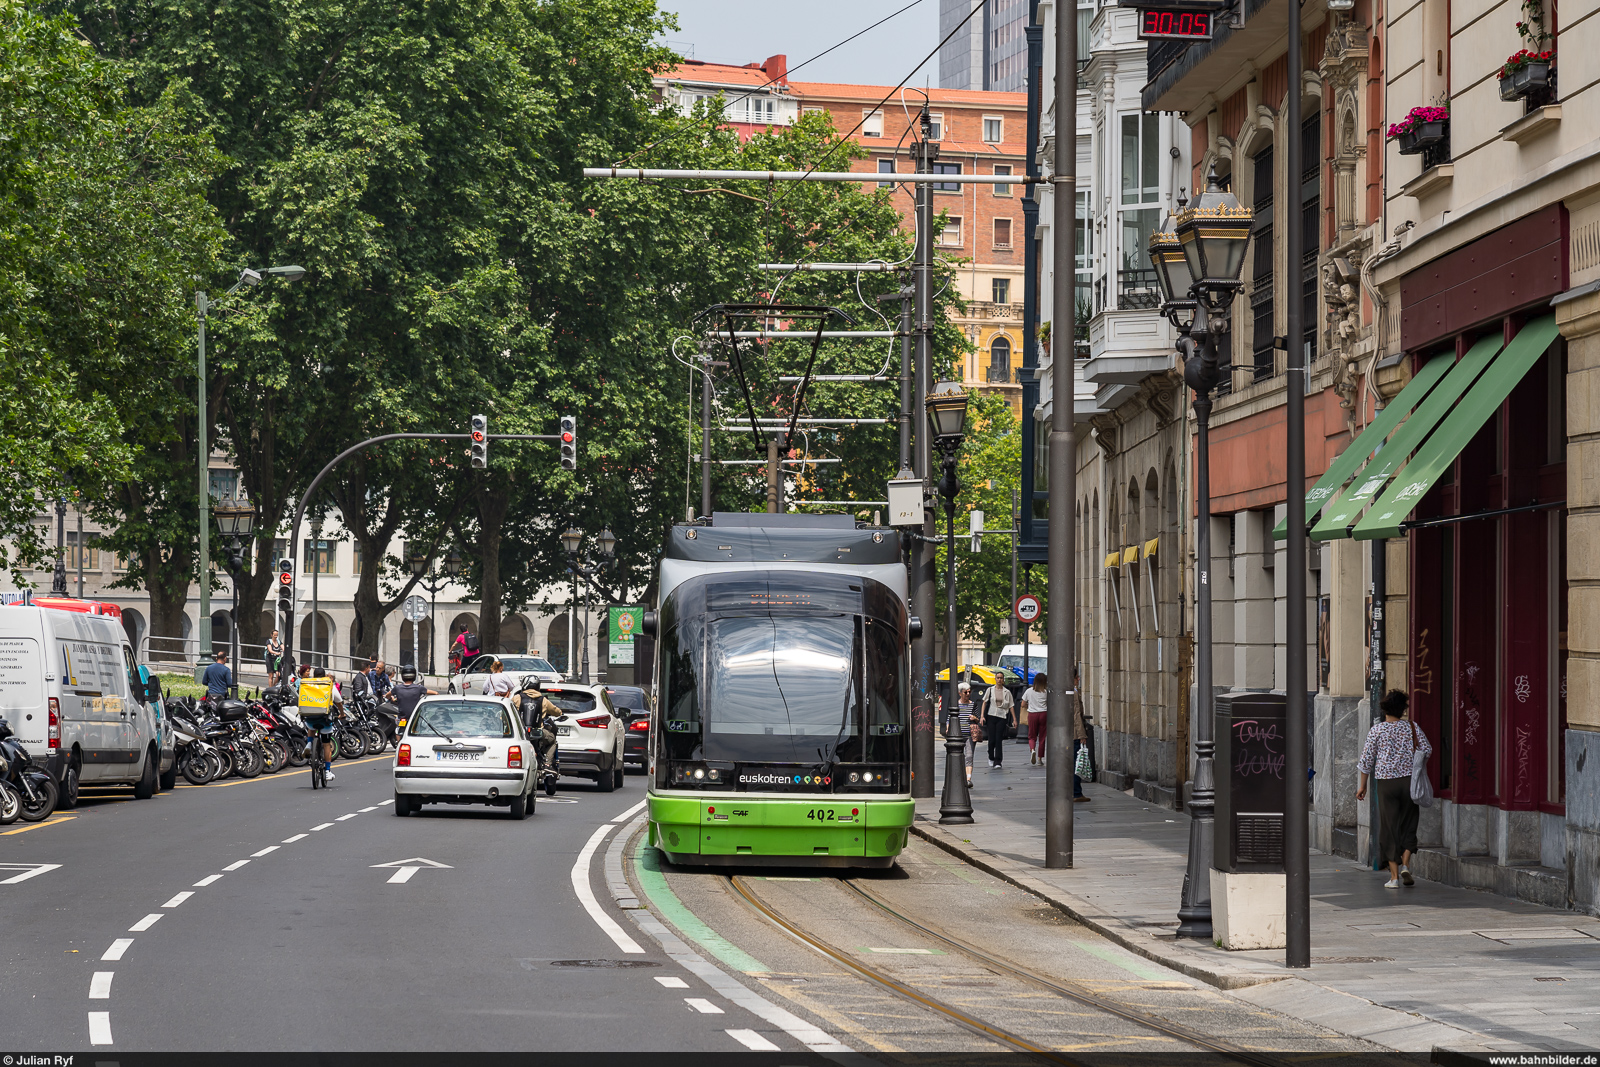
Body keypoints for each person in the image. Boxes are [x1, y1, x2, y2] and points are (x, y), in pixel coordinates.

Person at [1357, 689, 1432, 888]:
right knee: (1409, 823)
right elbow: (1427, 749)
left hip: (1386, 784)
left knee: (1389, 828)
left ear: (1384, 710)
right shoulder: (1411, 727)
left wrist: (1362, 786)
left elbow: (1366, 761)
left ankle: (1394, 877)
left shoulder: (1377, 730)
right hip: (1409, 782)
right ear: (1402, 709)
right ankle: (1406, 864)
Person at [984, 677, 1015, 768]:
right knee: (992, 739)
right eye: (998, 678)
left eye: (1001, 678)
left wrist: (1014, 719)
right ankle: (990, 756)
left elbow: (1011, 706)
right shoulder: (990, 690)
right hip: (991, 716)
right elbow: (984, 702)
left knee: (999, 739)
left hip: (1002, 716)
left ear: (1003, 680)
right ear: (995, 679)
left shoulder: (1007, 692)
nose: (999, 679)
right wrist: (982, 716)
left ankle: (998, 761)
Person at [1023, 673, 1048, 765]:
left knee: (1032, 735)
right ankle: (1039, 758)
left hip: (1032, 714)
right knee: (1042, 737)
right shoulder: (1046, 692)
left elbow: (1022, 704)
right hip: (1044, 714)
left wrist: (1029, 705)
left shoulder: (1029, 691)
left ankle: (1032, 749)